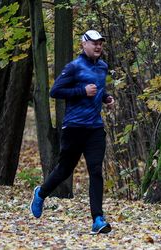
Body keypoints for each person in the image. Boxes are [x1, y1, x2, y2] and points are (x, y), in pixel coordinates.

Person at [30, 30, 115, 235]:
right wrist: (81, 92)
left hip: (95, 128)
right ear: (83, 45)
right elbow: (55, 92)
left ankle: (98, 219)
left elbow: (99, 89)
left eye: (100, 43)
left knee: (95, 171)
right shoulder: (74, 67)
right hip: (74, 127)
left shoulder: (103, 66)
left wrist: (106, 98)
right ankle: (41, 193)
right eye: (94, 43)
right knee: (65, 170)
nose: (98, 47)